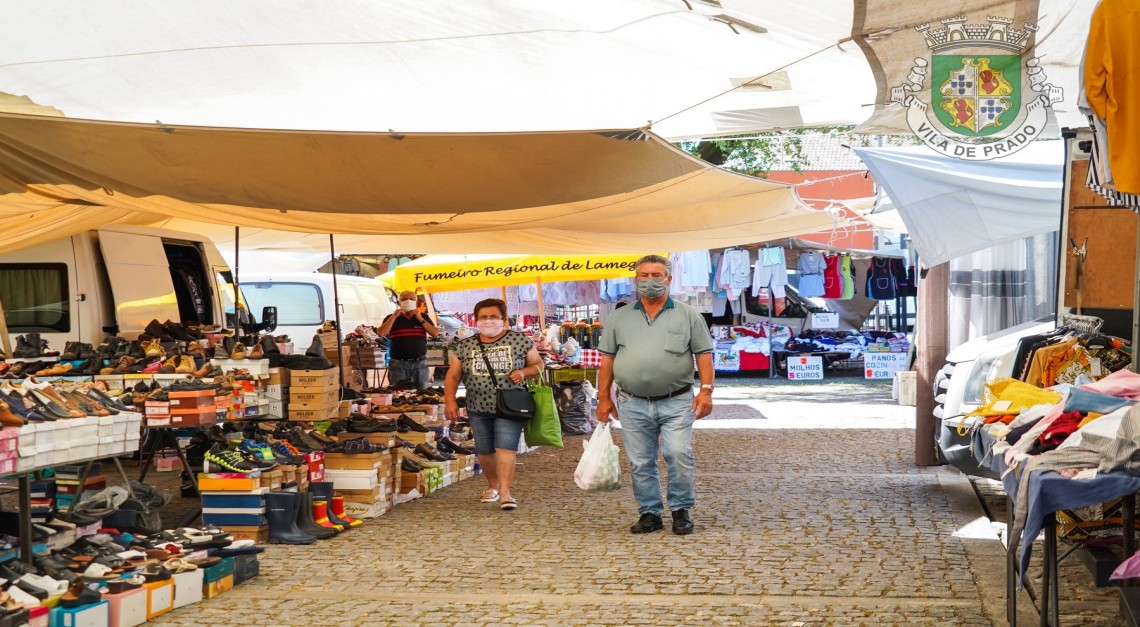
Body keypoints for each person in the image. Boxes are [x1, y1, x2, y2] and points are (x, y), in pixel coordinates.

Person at [596, 254, 714, 535]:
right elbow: (608, 360)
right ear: (636, 279)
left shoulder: (688, 315)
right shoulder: (620, 317)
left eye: (656, 275)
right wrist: (603, 397)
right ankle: (649, 512)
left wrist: (706, 391)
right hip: (632, 402)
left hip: (678, 400)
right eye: (644, 275)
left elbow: (704, 355)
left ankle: (681, 510)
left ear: (668, 279)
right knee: (640, 461)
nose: (650, 281)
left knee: (678, 453)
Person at [444, 298, 543, 511]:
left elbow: (538, 364)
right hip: (477, 405)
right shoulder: (464, 346)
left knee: (505, 447)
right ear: (476, 320)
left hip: (511, 405)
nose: (488, 321)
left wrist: (524, 372)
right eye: (483, 317)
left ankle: (506, 493)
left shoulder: (520, 341)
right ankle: (493, 485)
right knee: (485, 449)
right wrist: (450, 401)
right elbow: (453, 376)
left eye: (493, 317)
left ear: (504, 319)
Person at [377, 290, 439, 389]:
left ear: (416, 302)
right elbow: (381, 333)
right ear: (399, 303)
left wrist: (419, 318)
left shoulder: (423, 317)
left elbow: (435, 333)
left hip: (420, 364)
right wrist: (394, 316)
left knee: (423, 395)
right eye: (404, 299)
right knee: (398, 395)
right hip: (399, 364)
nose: (408, 301)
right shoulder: (391, 318)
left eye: (411, 299)